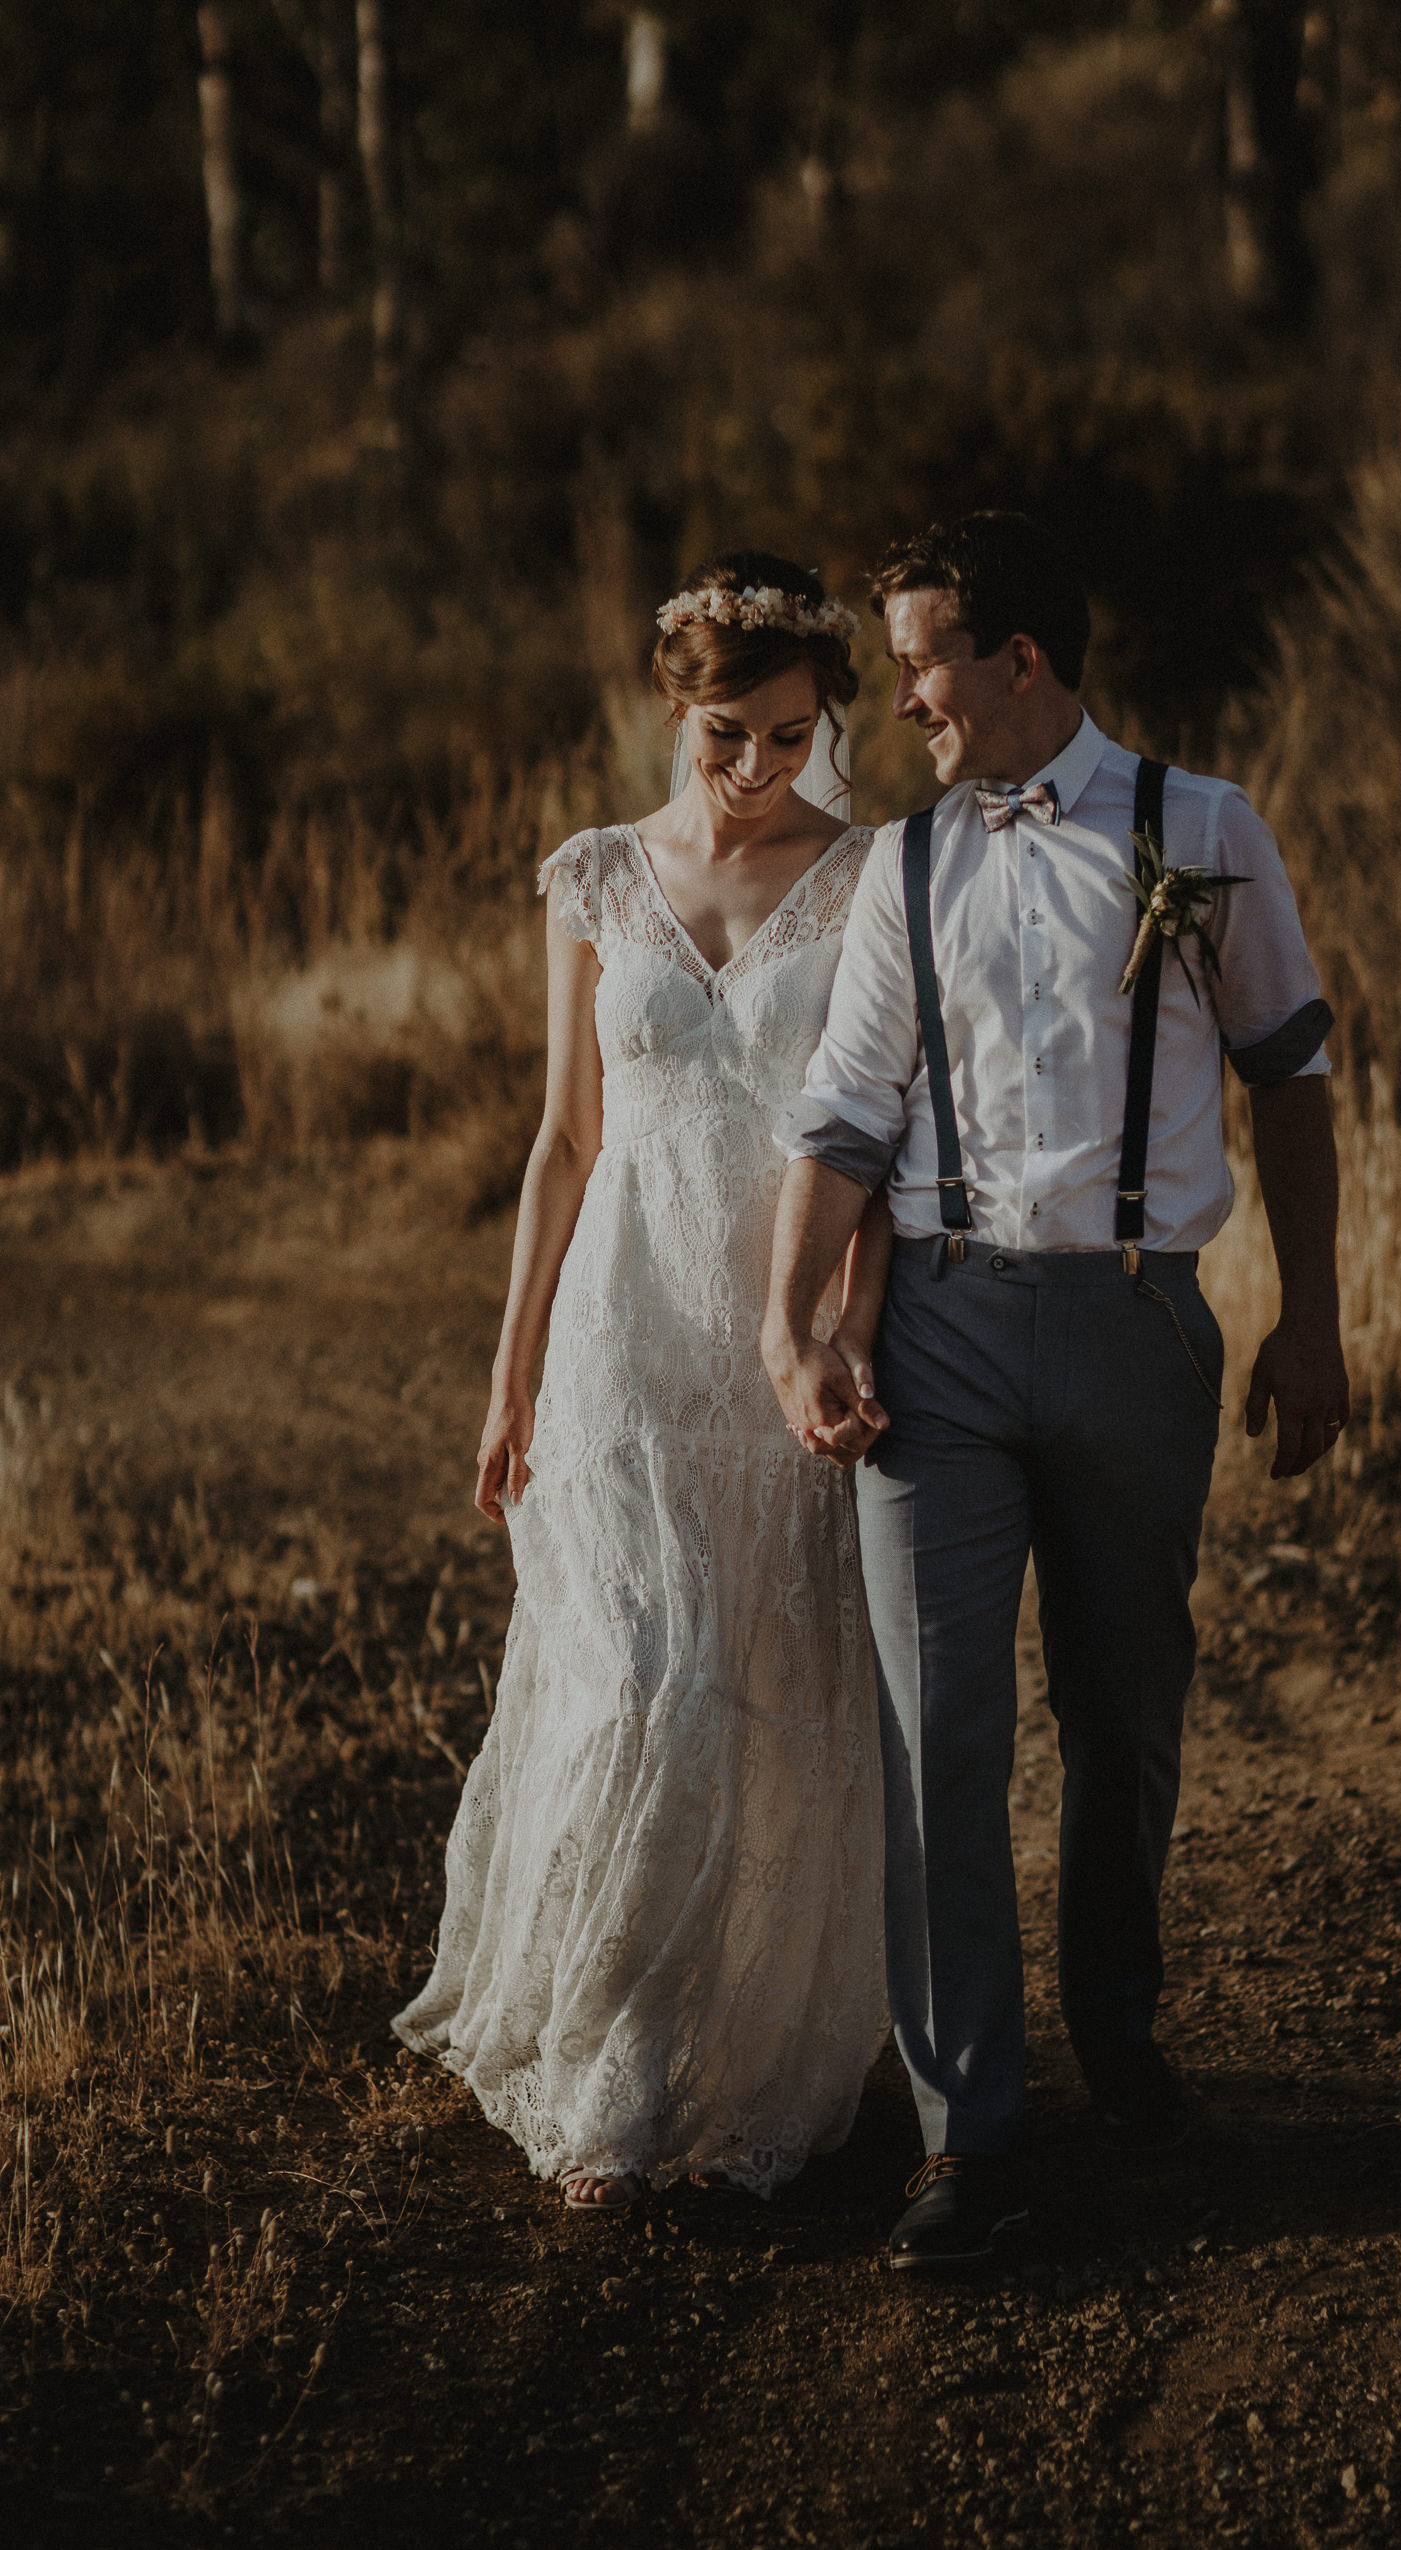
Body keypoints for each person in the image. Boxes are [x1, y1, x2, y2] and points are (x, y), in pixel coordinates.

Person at [761, 511, 1349, 2269]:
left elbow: (1292, 1075)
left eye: (927, 657)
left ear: (1023, 660)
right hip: (930, 1336)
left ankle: (1117, 2021)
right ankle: (971, 2136)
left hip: (1135, 1323)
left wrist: (1313, 1321)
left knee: (1125, 1714)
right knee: (938, 1736)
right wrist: (799, 1324)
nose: (907, 695)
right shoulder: (904, 867)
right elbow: (847, 1114)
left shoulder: (1202, 827)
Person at [395, 554, 890, 2210]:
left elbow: (888, 1146)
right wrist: (509, 1364)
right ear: (676, 709)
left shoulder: (866, 878)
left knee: (756, 1691)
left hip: (778, 1344)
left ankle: (748, 2058)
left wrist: (850, 1328)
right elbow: (563, 1137)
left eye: (790, 737)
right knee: (634, 1680)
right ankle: (619, 2062)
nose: (756, 771)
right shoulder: (597, 878)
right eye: (726, 736)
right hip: (622, 1333)